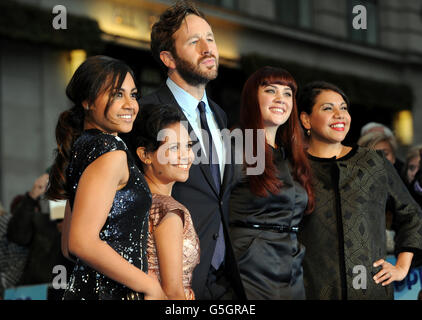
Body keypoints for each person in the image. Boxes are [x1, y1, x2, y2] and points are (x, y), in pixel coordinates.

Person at [141, 0, 245, 299]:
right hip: (175, 280)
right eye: (194, 41)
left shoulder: (220, 115)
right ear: (168, 58)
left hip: (225, 278)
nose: (208, 48)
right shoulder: (146, 111)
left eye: (210, 38)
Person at [46, 55, 166, 300]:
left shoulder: (83, 146)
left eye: (133, 95)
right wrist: (150, 286)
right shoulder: (110, 152)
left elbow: (68, 246)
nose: (130, 105)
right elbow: (80, 243)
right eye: (116, 94)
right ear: (88, 101)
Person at [297, 81, 422, 300]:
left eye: (343, 108)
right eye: (328, 108)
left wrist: (401, 267)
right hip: (312, 291)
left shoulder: (373, 162)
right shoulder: (293, 168)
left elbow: (411, 214)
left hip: (370, 290)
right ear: (306, 119)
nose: (339, 115)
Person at [228, 67, 315, 299]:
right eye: (270, 90)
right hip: (249, 268)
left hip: (292, 269)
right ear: (252, 97)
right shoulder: (235, 146)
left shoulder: (293, 155)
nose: (281, 99)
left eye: (287, 93)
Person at [123, 103, 199, 300]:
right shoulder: (168, 210)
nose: (186, 156)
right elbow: (173, 291)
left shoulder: (130, 201)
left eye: (188, 146)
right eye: (174, 147)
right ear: (145, 155)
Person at [6, 173, 74, 294]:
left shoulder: (83, 228)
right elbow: (16, 235)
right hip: (33, 292)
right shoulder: (41, 221)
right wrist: (32, 196)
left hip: (66, 291)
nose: (60, 197)